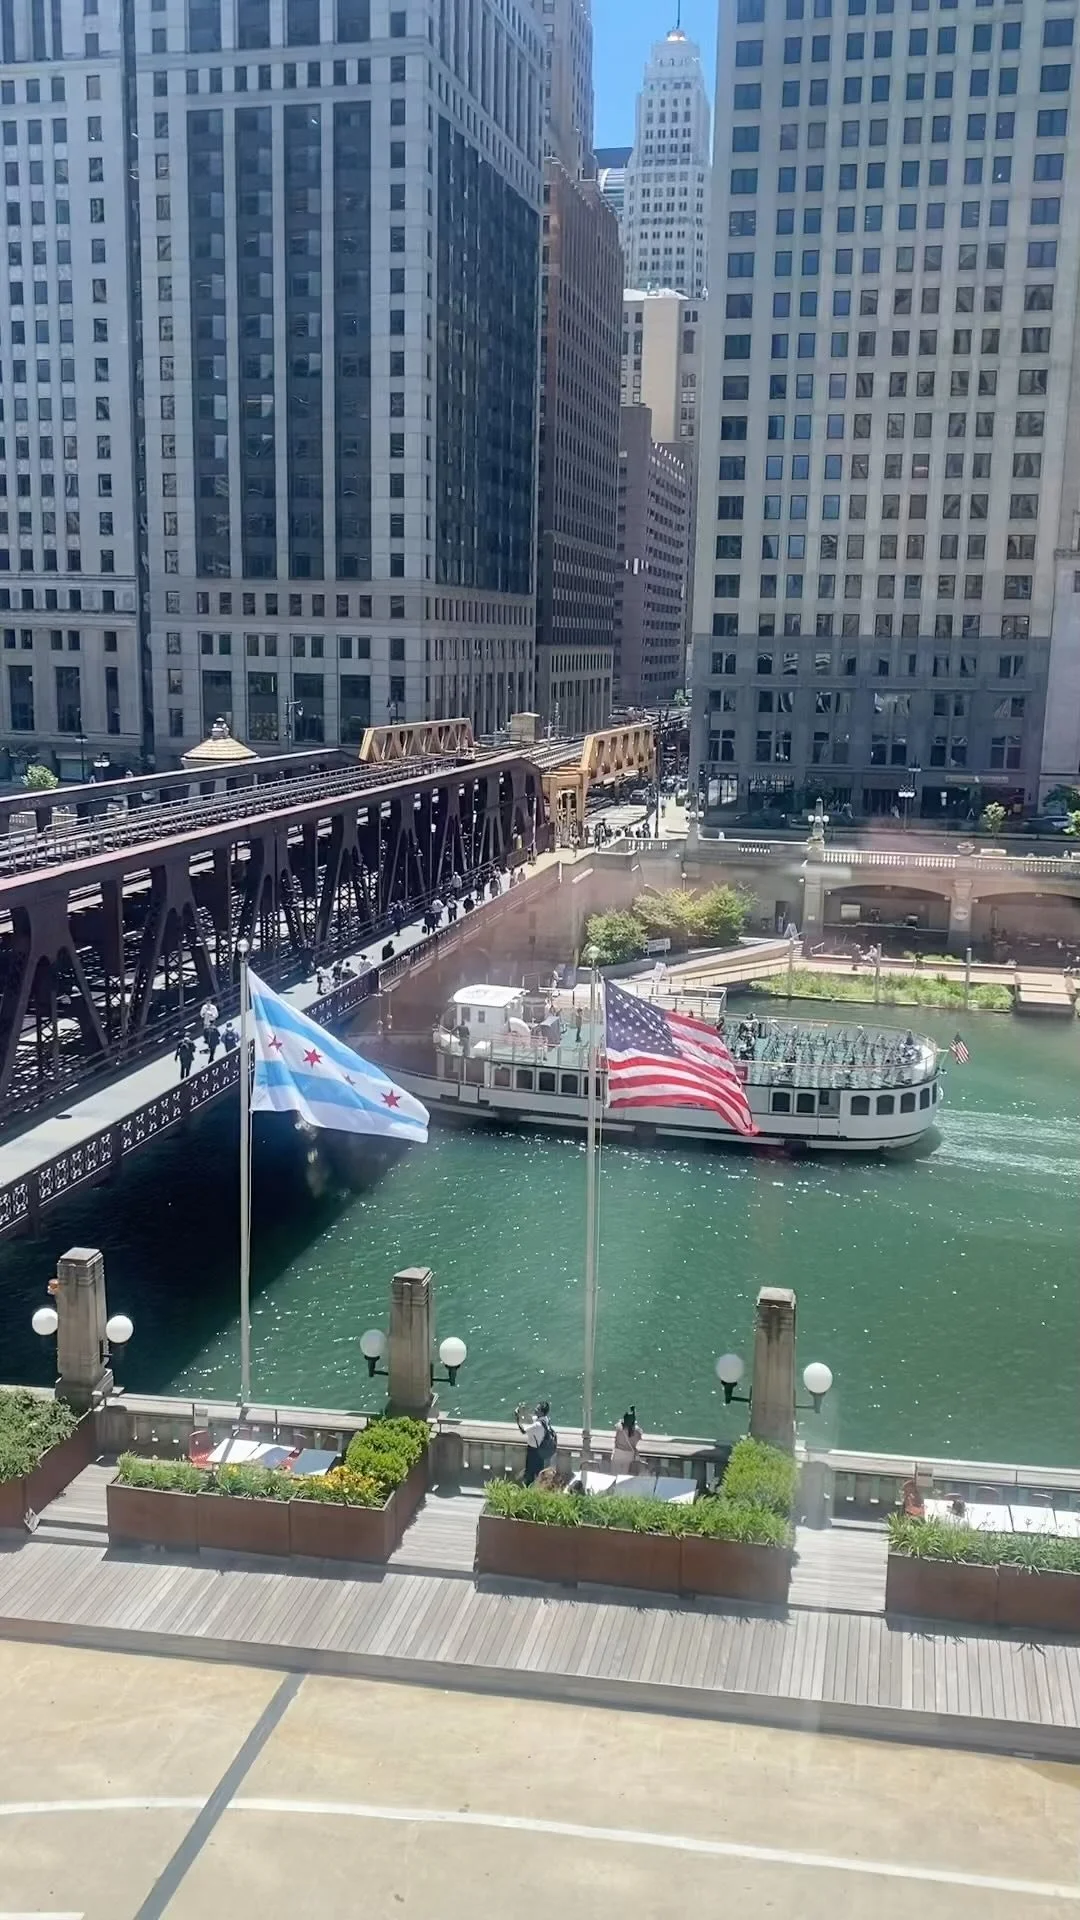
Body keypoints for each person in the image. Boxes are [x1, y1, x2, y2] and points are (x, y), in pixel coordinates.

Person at [516, 1400, 557, 1485]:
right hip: (541, 1451)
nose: (535, 1409)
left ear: (542, 1412)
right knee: (539, 1473)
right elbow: (532, 1418)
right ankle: (539, 1488)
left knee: (529, 1473)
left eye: (538, 1409)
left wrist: (517, 1419)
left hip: (533, 1451)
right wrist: (523, 1412)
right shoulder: (546, 1420)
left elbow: (523, 1431)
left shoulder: (537, 1425)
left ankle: (528, 1487)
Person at [611, 1406, 643, 1475]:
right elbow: (640, 1435)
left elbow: (616, 1425)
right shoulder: (637, 1431)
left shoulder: (620, 1428)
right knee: (624, 1475)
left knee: (614, 1475)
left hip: (618, 1453)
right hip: (629, 1454)